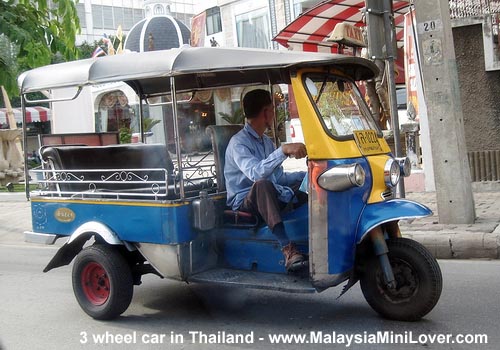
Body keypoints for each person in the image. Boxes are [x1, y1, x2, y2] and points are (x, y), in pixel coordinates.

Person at [224, 89, 308, 271]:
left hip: (269, 192)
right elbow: (256, 174)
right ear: (266, 112)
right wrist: (283, 150)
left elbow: (279, 178)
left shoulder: (266, 142)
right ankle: (287, 248)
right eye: (273, 109)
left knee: (307, 183)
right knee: (262, 185)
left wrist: (307, 175)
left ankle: (308, 235)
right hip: (244, 201)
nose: (274, 114)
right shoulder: (238, 143)